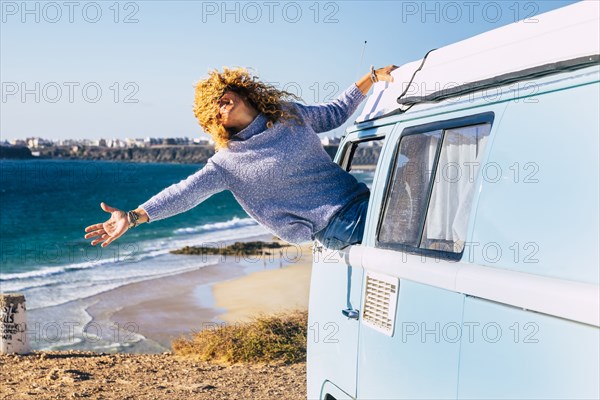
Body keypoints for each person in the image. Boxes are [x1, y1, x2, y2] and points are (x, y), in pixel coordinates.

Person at [84, 65, 397, 250]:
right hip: (338, 225)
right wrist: (135, 216)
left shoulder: (288, 114)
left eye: (222, 96)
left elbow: (334, 114)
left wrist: (369, 77)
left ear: (240, 90)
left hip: (363, 199)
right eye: (215, 107)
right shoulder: (227, 163)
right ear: (215, 121)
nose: (222, 105)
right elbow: (185, 193)